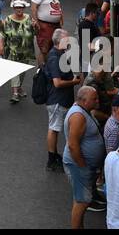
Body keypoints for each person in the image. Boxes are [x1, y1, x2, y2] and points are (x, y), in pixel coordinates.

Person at [63, 85, 105, 228]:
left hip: (83, 165)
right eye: (94, 99)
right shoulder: (78, 116)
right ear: (84, 101)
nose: (97, 101)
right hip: (78, 165)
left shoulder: (83, 110)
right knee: (82, 201)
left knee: (81, 199)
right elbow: (73, 145)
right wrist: (82, 166)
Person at [44, 31, 78, 170]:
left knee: (56, 128)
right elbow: (57, 83)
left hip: (61, 99)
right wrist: (74, 82)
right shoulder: (54, 57)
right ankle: (51, 160)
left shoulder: (60, 53)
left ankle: (54, 155)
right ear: (59, 41)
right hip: (57, 99)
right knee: (54, 128)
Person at [1, 0, 37, 103]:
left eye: (21, 8)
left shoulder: (29, 18)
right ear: (13, 8)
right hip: (13, 50)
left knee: (22, 71)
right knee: (15, 71)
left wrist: (35, 27)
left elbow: (35, 33)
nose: (19, 10)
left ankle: (19, 87)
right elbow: (3, 35)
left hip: (26, 50)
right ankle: (15, 93)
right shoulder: (8, 20)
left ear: (24, 8)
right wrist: (3, 48)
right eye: (17, 8)